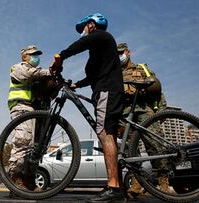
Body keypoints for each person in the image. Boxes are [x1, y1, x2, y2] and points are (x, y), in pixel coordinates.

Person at [51, 13, 125, 203]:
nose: (83, 31)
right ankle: (116, 183)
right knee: (107, 133)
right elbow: (93, 76)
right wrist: (77, 85)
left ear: (92, 25)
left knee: (104, 133)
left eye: (84, 27)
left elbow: (79, 45)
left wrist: (61, 56)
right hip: (103, 90)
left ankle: (114, 188)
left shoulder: (102, 36)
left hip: (107, 90)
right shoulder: (98, 51)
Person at [117, 42, 170, 198]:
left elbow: (157, 88)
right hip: (125, 114)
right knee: (129, 150)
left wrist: (162, 110)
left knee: (155, 145)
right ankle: (136, 183)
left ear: (128, 52)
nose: (120, 56)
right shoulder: (115, 73)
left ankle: (163, 182)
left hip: (145, 110)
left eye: (122, 52)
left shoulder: (142, 69)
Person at [7, 45, 52, 195]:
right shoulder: (18, 68)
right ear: (24, 57)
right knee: (23, 142)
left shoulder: (38, 73)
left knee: (36, 148)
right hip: (21, 107)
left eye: (37, 55)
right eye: (32, 54)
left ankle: (29, 179)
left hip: (37, 110)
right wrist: (50, 72)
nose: (36, 57)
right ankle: (16, 179)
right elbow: (30, 74)